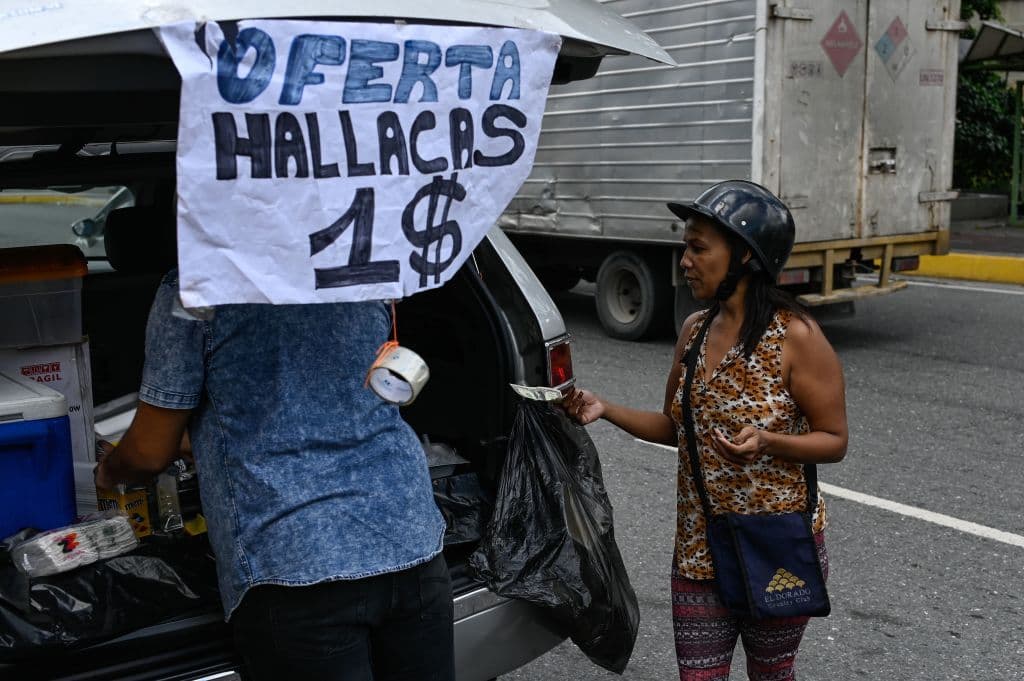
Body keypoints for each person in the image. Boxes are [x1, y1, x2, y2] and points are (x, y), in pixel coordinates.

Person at [94, 271, 453, 681]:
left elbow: (146, 454)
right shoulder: (358, 267)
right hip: (410, 538)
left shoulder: (196, 287)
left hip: (295, 563)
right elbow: (324, 402)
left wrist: (106, 470)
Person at [563, 180, 847, 681]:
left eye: (698, 248)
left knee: (772, 674)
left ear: (744, 257)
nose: (685, 261)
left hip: (776, 542)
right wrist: (604, 408)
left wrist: (770, 442)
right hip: (700, 547)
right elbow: (675, 428)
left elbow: (834, 439)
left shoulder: (797, 338)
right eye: (684, 247)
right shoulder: (694, 330)